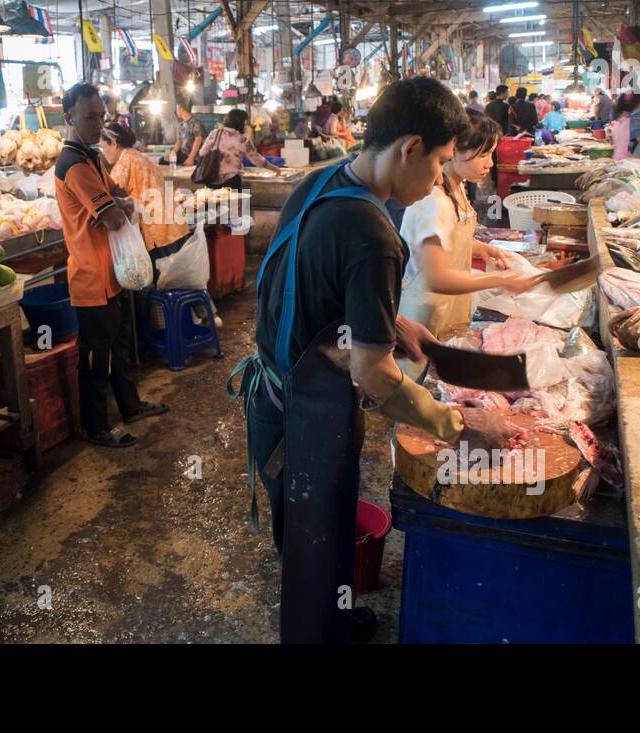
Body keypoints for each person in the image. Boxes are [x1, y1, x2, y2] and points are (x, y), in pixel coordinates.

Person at [233, 77, 518, 645]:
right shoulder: (375, 234)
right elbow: (373, 375)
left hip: (272, 398)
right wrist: (452, 421)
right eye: (440, 160)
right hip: (305, 415)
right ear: (410, 147)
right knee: (313, 539)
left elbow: (311, 290)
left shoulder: (324, 181)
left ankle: (335, 614)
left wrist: (389, 325)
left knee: (317, 531)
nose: (440, 175)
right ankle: (321, 632)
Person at [54, 83, 168, 449]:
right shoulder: (73, 164)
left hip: (112, 275)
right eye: (90, 117)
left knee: (118, 349)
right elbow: (115, 217)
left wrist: (123, 203)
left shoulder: (91, 157)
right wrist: (126, 206)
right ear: (69, 117)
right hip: (91, 279)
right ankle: (98, 427)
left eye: (101, 116)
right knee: (95, 360)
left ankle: (131, 407)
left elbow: (117, 196)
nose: (97, 124)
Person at [398, 112, 539, 342]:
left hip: (447, 307)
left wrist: (484, 249)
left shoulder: (457, 188)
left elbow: (448, 241)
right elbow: (435, 277)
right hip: (421, 315)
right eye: (483, 154)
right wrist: (503, 280)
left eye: (491, 153)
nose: (490, 163)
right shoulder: (434, 201)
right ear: (453, 152)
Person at [100, 123, 188, 259]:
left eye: (103, 147)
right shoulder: (142, 157)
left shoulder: (122, 166)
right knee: (178, 277)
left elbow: (111, 201)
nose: (103, 152)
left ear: (113, 143)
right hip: (175, 224)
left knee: (165, 279)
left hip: (159, 232)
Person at [197, 108, 278, 191]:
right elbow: (258, 160)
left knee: (213, 203)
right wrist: (276, 169)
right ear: (242, 123)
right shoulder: (241, 140)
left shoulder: (215, 133)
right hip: (231, 181)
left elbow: (202, 152)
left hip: (211, 178)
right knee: (232, 204)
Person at [609, 92, 640, 161]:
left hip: (616, 159)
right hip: (631, 163)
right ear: (638, 106)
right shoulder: (636, 123)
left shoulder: (616, 122)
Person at [174, 100, 206, 166]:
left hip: (194, 157)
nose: (176, 111)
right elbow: (179, 141)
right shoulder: (181, 125)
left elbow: (198, 139)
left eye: (177, 108)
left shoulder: (196, 123)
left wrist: (191, 157)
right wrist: (172, 153)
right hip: (183, 154)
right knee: (163, 161)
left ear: (181, 109)